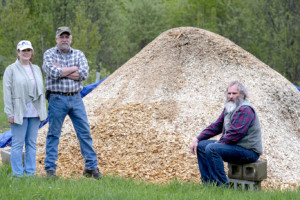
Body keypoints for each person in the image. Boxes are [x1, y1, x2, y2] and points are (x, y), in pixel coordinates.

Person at [42, 26, 102, 179]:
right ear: (56, 39)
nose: (64, 39)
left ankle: (91, 168)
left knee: (84, 132)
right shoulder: (49, 54)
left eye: (67, 37)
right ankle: (50, 169)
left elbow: (83, 74)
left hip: (76, 98)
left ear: (71, 39)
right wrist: (72, 69)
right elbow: (53, 73)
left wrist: (63, 69)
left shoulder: (79, 54)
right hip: (57, 98)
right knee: (54, 134)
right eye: (61, 37)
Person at [190, 81, 263, 187]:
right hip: (235, 147)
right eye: (229, 93)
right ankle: (209, 184)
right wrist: (197, 139)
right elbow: (216, 126)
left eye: (234, 93)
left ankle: (222, 187)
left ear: (242, 95)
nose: (231, 96)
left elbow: (235, 134)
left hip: (249, 151)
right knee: (201, 146)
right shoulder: (230, 108)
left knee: (212, 148)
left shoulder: (245, 109)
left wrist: (217, 143)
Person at [3, 40, 47, 177]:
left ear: (31, 52)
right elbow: (7, 92)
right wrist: (10, 113)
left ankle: (30, 173)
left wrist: (43, 112)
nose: (26, 53)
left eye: (28, 50)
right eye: (23, 50)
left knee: (32, 144)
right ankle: (18, 174)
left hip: (34, 112)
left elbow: (41, 91)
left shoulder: (36, 69)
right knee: (17, 144)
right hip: (19, 111)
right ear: (18, 53)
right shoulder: (11, 70)